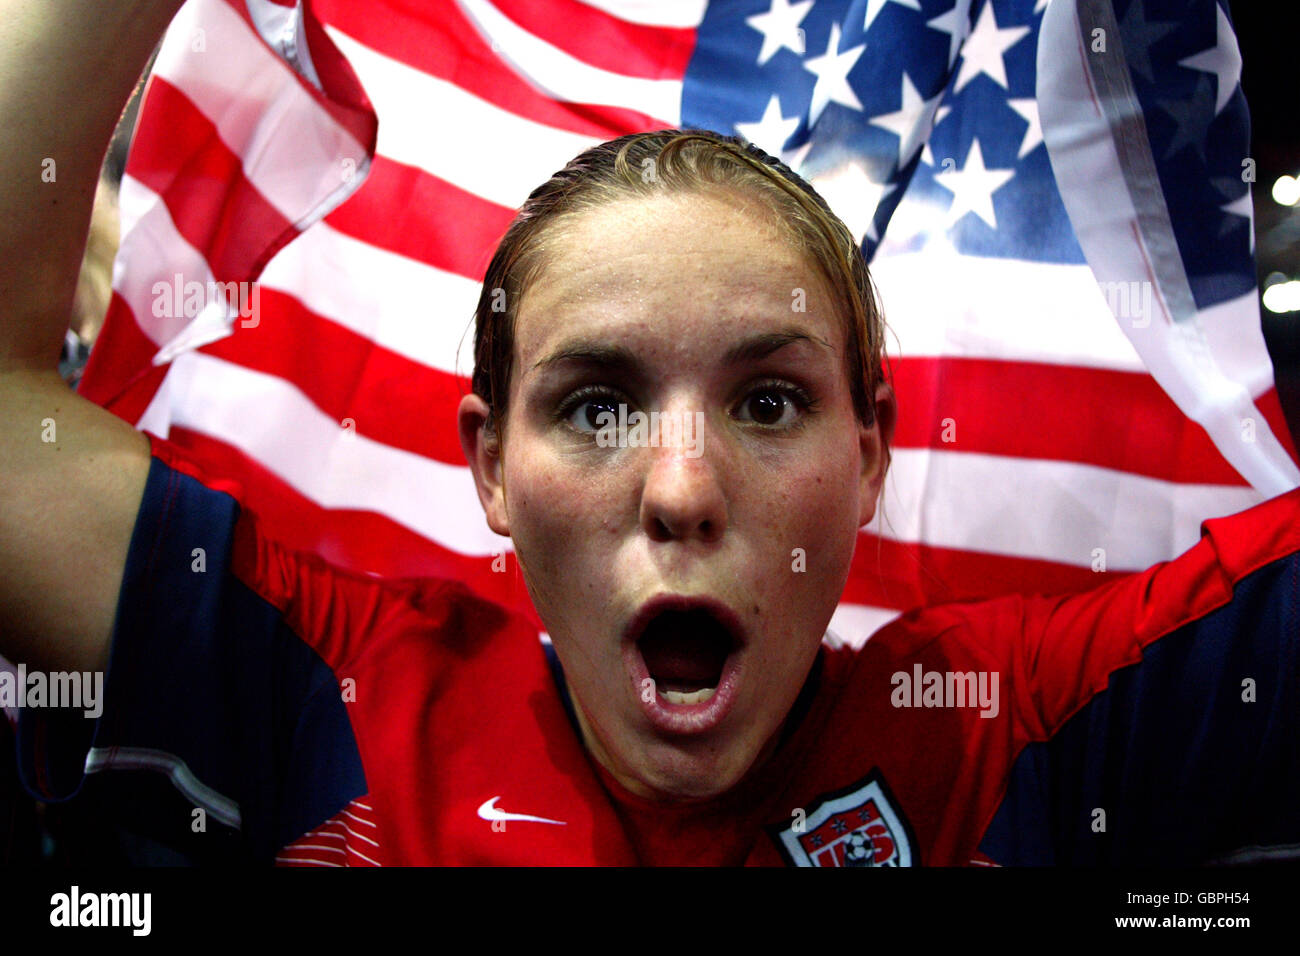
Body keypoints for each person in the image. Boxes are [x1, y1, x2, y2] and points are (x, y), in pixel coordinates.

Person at [2, 1, 1297, 867]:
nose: (682, 488)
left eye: (771, 402)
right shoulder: (335, 704)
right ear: (490, 465)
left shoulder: (1008, 744)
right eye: (596, 404)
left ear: (870, 453)